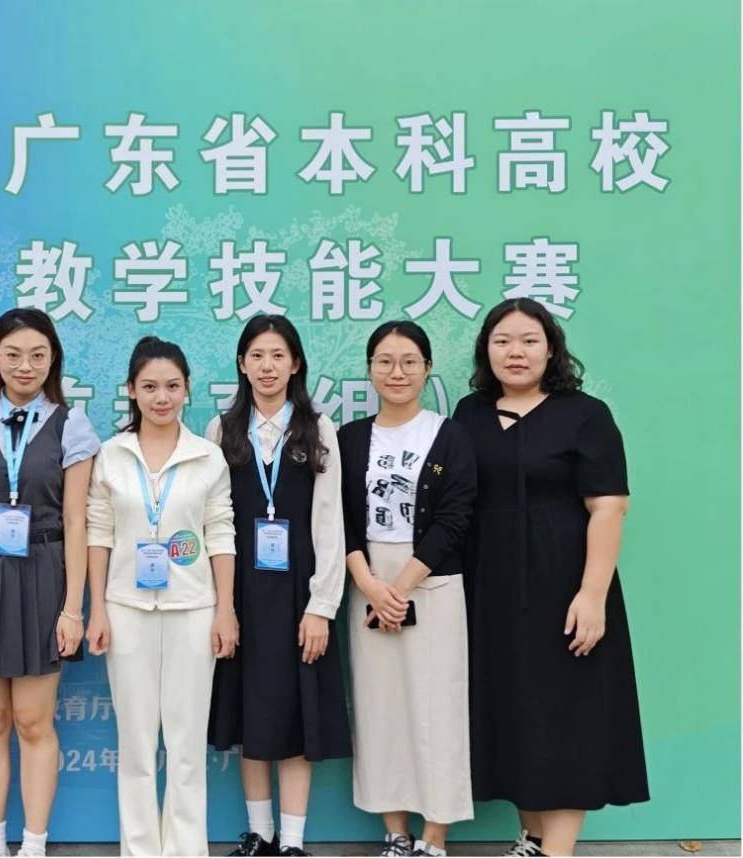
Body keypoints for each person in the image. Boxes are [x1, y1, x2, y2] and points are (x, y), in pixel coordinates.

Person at [453, 298, 648, 857]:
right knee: (513, 711)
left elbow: (609, 507)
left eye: (529, 340)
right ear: (486, 351)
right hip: (490, 587)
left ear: (551, 349)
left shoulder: (585, 414)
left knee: (566, 717)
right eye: (502, 341)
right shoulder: (469, 414)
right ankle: (533, 838)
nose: (515, 352)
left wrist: (592, 594)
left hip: (564, 583)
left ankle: (557, 851)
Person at [0, 308, 99, 858]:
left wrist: (73, 608)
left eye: (37, 355)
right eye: (12, 355)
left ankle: (33, 843)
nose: (24, 365)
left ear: (53, 359)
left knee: (33, 721)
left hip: (43, 574)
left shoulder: (71, 424)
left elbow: (77, 521)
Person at [85, 335, 238, 857]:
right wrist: (98, 608)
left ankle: (186, 849)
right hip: (126, 609)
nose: (161, 397)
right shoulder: (111, 454)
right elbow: (99, 533)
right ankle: (140, 849)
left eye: (172, 386)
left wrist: (225, 610)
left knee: (186, 744)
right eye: (149, 387)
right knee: (136, 745)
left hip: (194, 610)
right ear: (131, 390)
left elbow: (220, 533)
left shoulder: (208, 457)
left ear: (188, 389)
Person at [206, 315, 351, 858]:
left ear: (295, 364)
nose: (267, 366)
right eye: (257, 356)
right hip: (241, 594)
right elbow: (213, 519)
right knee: (249, 713)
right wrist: (222, 605)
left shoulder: (319, 428)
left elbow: (330, 522)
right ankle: (259, 834)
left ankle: (291, 842)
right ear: (242, 364)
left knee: (295, 715)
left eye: (278, 356)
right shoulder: (221, 430)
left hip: (298, 594)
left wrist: (321, 606)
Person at [336, 321, 476, 858]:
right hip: (367, 580)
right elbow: (339, 519)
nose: (397, 372)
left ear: (427, 368)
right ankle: (395, 831)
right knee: (380, 708)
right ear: (370, 369)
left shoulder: (450, 434)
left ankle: (433, 835)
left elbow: (455, 517)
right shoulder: (349, 438)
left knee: (436, 706)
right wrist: (370, 585)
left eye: (409, 361)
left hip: (431, 582)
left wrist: (398, 588)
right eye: (385, 362)